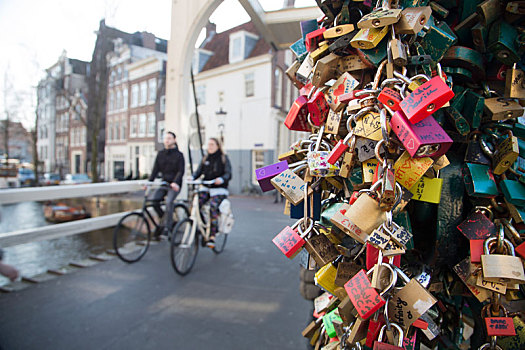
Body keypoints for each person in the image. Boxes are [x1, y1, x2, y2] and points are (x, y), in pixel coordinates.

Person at [192, 138, 232, 248]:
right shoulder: (205, 158)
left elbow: (229, 173)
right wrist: (192, 177)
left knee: (213, 207)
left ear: (218, 146)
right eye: (208, 144)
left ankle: (212, 236)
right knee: (196, 204)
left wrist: (222, 179)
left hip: (219, 189)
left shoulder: (223, 158)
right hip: (206, 187)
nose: (209, 146)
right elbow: (198, 171)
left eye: (212, 144)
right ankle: (204, 225)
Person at [148, 131, 185, 237]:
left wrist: (175, 182)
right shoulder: (160, 154)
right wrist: (149, 183)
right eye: (165, 138)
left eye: (169, 138)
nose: (167, 140)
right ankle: (165, 219)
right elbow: (155, 170)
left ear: (174, 140)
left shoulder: (179, 155)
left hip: (174, 184)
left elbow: (180, 171)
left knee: (169, 202)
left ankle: (167, 228)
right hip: (164, 183)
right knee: (154, 201)